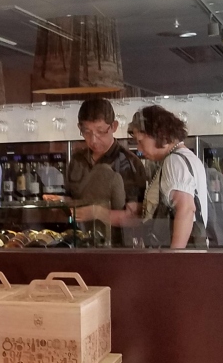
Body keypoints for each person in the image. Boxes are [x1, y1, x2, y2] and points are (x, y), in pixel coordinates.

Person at [67, 97, 147, 243]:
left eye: (101, 131)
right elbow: (70, 199)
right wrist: (59, 201)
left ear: (114, 126)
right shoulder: (77, 160)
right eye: (87, 132)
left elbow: (135, 217)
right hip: (79, 241)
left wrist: (97, 212)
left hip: (118, 245)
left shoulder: (129, 163)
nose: (93, 140)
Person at [129, 104, 209, 249]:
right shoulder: (186, 157)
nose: (139, 148)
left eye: (140, 141)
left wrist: (174, 256)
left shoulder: (174, 161)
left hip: (178, 257)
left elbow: (186, 209)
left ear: (160, 135)